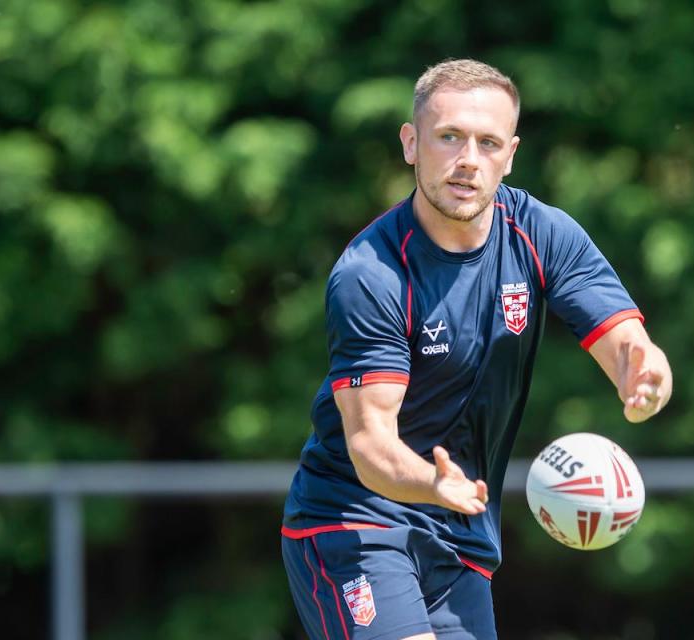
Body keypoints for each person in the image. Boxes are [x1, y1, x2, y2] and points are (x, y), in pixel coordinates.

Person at [281, 58, 672, 640]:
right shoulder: (372, 273)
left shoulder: (542, 234)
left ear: (510, 155)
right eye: (450, 137)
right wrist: (432, 484)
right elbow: (369, 445)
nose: (468, 160)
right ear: (412, 144)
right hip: (354, 523)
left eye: (488, 142)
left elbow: (625, 344)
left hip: (460, 529)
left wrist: (642, 372)